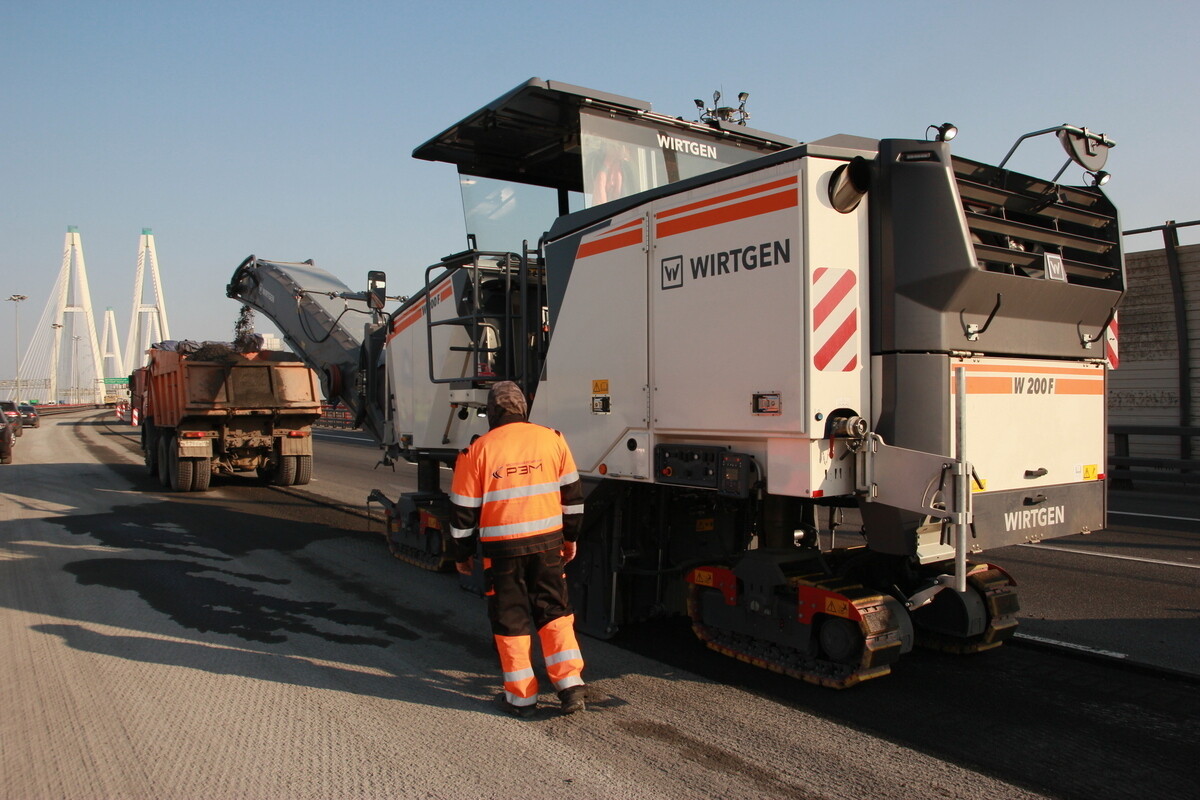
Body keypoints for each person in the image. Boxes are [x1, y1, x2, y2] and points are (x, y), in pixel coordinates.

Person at [449, 381, 587, 717]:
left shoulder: (476, 452)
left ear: (491, 413)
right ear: (523, 409)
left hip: (502, 553)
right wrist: (570, 538)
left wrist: (462, 555)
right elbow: (573, 500)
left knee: (510, 621)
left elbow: (462, 515)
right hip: (548, 545)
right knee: (555, 611)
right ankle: (570, 687)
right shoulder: (553, 440)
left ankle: (522, 699)